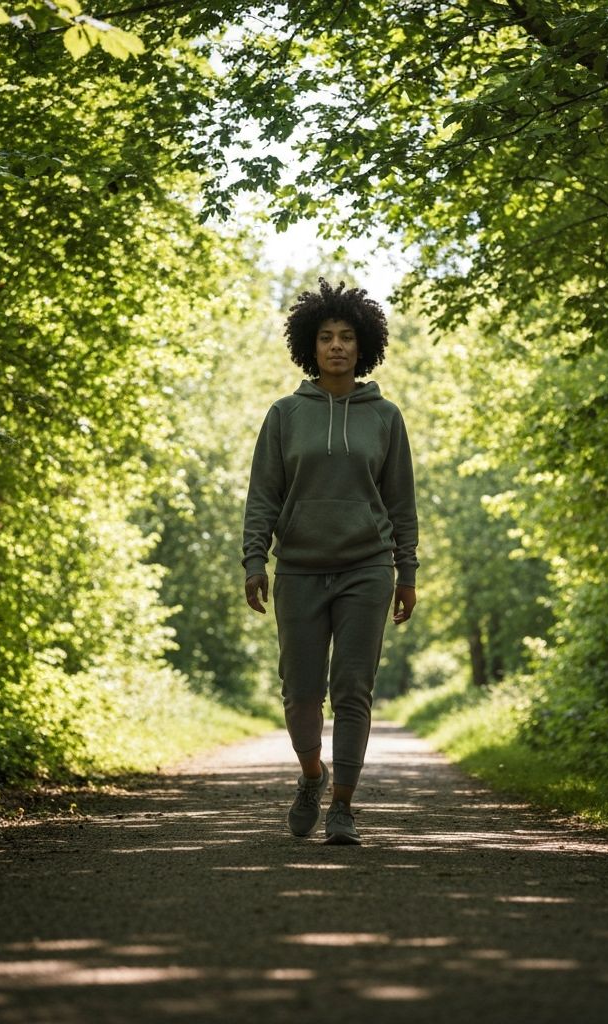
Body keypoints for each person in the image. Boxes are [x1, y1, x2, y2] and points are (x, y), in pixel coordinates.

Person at [242, 278, 419, 845]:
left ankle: (343, 806)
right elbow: (263, 495)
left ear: (362, 344)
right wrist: (254, 560)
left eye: (346, 336)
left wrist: (407, 572)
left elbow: (401, 503)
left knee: (352, 690)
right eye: (326, 337)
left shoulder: (385, 416)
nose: (337, 345)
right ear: (310, 346)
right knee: (300, 693)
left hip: (368, 568)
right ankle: (312, 776)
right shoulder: (285, 414)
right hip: (298, 568)